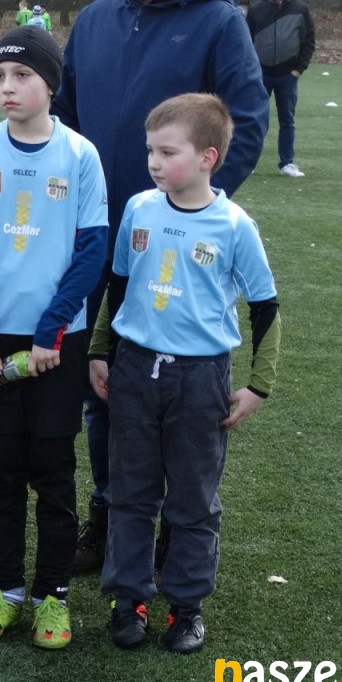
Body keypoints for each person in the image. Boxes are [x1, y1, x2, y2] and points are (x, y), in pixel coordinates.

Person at [50, 0, 269, 574]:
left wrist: (189, 213)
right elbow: (64, 123)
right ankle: (110, 518)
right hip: (97, 245)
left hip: (171, 255)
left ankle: (178, 528)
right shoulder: (95, 20)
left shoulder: (218, 23)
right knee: (105, 388)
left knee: (180, 398)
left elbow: (245, 124)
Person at [89, 93, 281, 653]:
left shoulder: (234, 225)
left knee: (194, 500)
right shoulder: (139, 209)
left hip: (200, 380)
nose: (154, 162)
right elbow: (118, 284)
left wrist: (259, 384)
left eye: (167, 152)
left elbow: (266, 306)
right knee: (129, 493)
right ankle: (129, 600)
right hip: (134, 371)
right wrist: (100, 350)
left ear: (207, 157)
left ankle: (186, 607)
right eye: (150, 150)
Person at [0, 26, 108, 649]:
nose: (7, 87)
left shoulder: (80, 155)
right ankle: (6, 590)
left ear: (50, 83)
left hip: (57, 342)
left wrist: (52, 331)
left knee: (53, 471)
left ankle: (52, 596)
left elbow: (92, 249)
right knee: (1, 473)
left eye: (21, 75)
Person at [246, 0, 316, 178]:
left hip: (288, 75)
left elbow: (309, 42)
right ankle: (248, 162)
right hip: (261, 74)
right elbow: (245, 41)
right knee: (256, 119)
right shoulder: (257, 9)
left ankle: (287, 163)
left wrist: (298, 69)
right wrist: (251, 68)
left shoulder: (301, 9)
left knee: (287, 120)